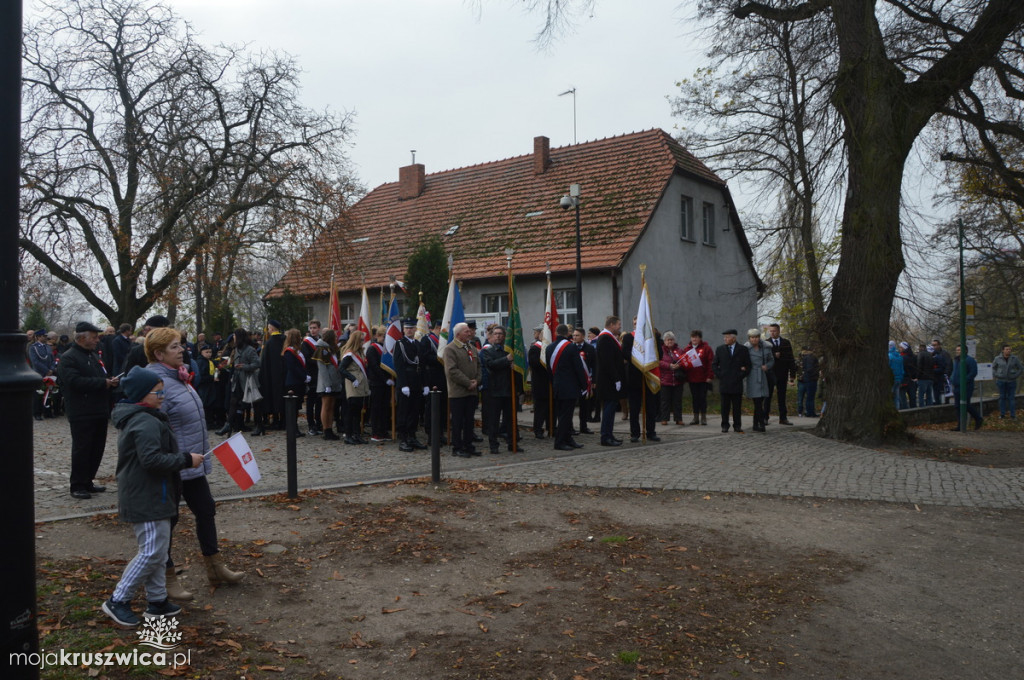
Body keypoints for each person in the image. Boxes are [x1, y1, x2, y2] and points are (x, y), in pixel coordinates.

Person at [101, 366, 205, 628]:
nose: (162, 395)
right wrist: (185, 460)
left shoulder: (149, 416)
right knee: (151, 551)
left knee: (158, 551)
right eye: (156, 391)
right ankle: (118, 599)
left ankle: (157, 601)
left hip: (156, 494)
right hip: (146, 496)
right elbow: (151, 459)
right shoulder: (144, 421)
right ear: (140, 395)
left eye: (162, 390)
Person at [145, 328, 244, 600]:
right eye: (175, 347)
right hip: (173, 466)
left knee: (206, 509)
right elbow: (153, 428)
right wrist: (174, 458)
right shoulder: (155, 382)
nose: (182, 350)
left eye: (181, 345)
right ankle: (165, 577)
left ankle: (215, 567)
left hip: (193, 463)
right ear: (159, 353)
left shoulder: (180, 376)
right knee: (169, 520)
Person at [58, 321, 122, 499]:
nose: (97, 340)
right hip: (81, 411)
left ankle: (88, 481)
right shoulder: (69, 357)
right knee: (83, 449)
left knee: (96, 448)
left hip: (99, 409)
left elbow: (98, 375)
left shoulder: (93, 355)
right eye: (94, 337)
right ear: (81, 338)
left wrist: (109, 380)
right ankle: (77, 484)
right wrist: (103, 383)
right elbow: (74, 382)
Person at [480, 326, 524, 454]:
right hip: (495, 391)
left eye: (500, 334)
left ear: (505, 336)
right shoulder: (489, 351)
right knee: (493, 421)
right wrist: (506, 360)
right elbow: (491, 365)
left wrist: (519, 389)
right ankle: (494, 445)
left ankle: (512, 443)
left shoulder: (510, 350)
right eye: (496, 334)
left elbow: (518, 372)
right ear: (492, 336)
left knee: (511, 420)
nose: (498, 336)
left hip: (510, 391)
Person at [547, 324, 589, 451]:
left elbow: (549, 369)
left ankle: (568, 439)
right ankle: (559, 442)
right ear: (567, 334)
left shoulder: (549, 347)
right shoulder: (571, 347)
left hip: (557, 385)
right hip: (569, 387)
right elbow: (578, 368)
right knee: (566, 416)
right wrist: (584, 384)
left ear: (556, 332)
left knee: (563, 415)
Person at [443, 322, 481, 458]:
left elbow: (479, 367)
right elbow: (452, 371)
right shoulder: (450, 349)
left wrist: (477, 380)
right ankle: (457, 447)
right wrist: (467, 383)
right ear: (458, 334)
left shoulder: (471, 347)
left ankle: (468, 445)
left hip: (472, 391)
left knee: (469, 421)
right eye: (466, 331)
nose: (469, 333)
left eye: (469, 331)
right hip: (458, 392)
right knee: (458, 421)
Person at [394, 319, 428, 452]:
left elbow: (422, 365)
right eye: (407, 328)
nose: (409, 330)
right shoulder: (400, 344)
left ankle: (412, 436)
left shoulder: (418, 344)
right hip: (406, 382)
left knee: (415, 411)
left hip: (417, 381)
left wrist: (425, 384)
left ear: (415, 330)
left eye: (412, 328)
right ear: (403, 330)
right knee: (404, 411)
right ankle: (403, 439)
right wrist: (403, 384)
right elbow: (399, 365)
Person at [223, 328, 262, 436]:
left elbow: (257, 364)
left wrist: (245, 367)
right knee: (233, 402)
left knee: (256, 403)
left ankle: (259, 426)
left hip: (249, 380)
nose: (233, 337)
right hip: (238, 380)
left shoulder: (250, 350)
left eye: (235, 335)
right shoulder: (236, 349)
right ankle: (228, 425)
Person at [711, 329, 751, 433]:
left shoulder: (743, 349)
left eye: (727, 337)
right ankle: (725, 425)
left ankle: (737, 425)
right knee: (725, 406)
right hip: (724, 382)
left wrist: (740, 375)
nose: (725, 339)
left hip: (737, 383)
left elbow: (748, 366)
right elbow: (714, 365)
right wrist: (720, 375)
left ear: (734, 338)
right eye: (724, 337)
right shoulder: (720, 349)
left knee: (737, 407)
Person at [595, 316, 625, 446]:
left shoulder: (609, 338)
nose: (619, 327)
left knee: (611, 409)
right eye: (618, 324)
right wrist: (616, 378)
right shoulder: (605, 338)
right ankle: (605, 436)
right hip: (608, 381)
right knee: (608, 409)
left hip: (610, 380)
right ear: (611, 325)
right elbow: (608, 362)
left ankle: (609, 434)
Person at [339, 330, 370, 445]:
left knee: (358, 411)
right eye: (361, 340)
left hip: (360, 383)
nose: (363, 342)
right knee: (350, 411)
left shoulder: (360, 352)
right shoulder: (350, 354)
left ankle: (357, 434)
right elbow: (341, 369)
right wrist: (352, 379)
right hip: (352, 384)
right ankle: (348, 435)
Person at [313, 328, 343, 440]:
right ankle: (326, 429)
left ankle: (330, 428)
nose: (336, 338)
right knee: (325, 407)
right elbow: (322, 368)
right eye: (335, 337)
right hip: (326, 383)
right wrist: (327, 385)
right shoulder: (322, 349)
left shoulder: (332, 349)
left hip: (334, 381)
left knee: (331, 407)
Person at [420, 322, 447, 444]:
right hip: (431, 376)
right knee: (432, 408)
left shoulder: (443, 341)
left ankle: (440, 433)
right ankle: (431, 435)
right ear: (438, 328)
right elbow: (424, 358)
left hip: (443, 377)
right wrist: (439, 358)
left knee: (442, 407)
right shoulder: (427, 340)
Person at [365, 326, 393, 443]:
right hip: (376, 382)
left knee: (385, 408)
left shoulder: (386, 349)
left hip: (386, 383)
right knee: (376, 408)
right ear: (377, 336)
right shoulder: (372, 349)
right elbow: (374, 366)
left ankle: (383, 430)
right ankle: (376, 432)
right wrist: (384, 379)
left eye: (385, 336)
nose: (383, 338)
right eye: (381, 336)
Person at [681, 330, 715, 425]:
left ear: (700, 338)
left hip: (703, 378)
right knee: (694, 398)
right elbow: (684, 363)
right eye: (692, 337)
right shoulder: (687, 349)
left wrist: (710, 376)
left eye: (696, 337)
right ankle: (695, 417)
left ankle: (703, 417)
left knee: (702, 398)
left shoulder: (706, 348)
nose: (694, 339)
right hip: (692, 378)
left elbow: (711, 363)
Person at [765, 323, 796, 425]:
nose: (772, 333)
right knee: (767, 396)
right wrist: (774, 355)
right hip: (770, 374)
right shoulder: (766, 343)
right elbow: (763, 359)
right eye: (771, 331)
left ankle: (783, 418)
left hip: (782, 373)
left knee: (782, 397)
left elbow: (791, 359)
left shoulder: (786, 343)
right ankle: (765, 417)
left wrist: (792, 375)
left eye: (774, 331)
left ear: (778, 331)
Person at [745, 329, 775, 433]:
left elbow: (772, 360)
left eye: (756, 337)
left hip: (763, 376)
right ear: (749, 339)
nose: (754, 339)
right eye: (752, 337)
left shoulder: (766, 347)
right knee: (757, 401)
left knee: (760, 400)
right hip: (752, 376)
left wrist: (767, 366)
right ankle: (761, 424)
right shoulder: (746, 349)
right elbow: (741, 361)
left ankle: (755, 424)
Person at [259, 319, 286, 430]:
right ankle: (284, 420)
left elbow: (265, 361)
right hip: (283, 374)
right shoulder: (284, 339)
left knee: (274, 397)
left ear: (271, 328)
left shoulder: (269, 342)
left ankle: (275, 420)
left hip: (271, 375)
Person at [281, 329, 307, 436]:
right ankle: (292, 429)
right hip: (293, 382)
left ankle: (295, 429)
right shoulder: (289, 351)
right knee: (293, 408)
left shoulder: (297, 351)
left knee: (296, 408)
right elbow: (292, 368)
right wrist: (304, 376)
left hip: (298, 382)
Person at [951, 345, 983, 431]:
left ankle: (978, 418)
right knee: (957, 406)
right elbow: (954, 372)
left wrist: (964, 380)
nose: (957, 351)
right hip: (956, 386)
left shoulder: (969, 360)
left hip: (966, 386)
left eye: (959, 350)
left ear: (965, 351)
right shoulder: (956, 360)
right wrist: (952, 379)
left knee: (966, 404)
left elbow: (973, 372)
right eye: (957, 350)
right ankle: (960, 425)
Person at [658, 331, 686, 426]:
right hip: (665, 380)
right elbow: (658, 362)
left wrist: (679, 365)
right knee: (665, 401)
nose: (670, 341)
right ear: (664, 341)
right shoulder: (660, 350)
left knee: (677, 401)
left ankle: (678, 418)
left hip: (677, 380)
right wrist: (669, 365)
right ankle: (664, 418)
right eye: (668, 340)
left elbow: (684, 360)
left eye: (671, 339)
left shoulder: (679, 350)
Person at [528, 326, 551, 438]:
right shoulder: (535, 348)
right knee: (540, 409)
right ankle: (538, 429)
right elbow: (534, 364)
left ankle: (551, 428)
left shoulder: (549, 348)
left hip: (550, 383)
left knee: (550, 408)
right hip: (540, 383)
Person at [573, 328, 597, 435]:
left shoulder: (590, 348)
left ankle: (584, 426)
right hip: (573, 381)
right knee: (571, 405)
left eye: (577, 335)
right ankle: (571, 428)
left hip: (585, 381)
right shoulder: (571, 347)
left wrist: (594, 380)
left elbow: (595, 365)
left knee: (584, 405)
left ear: (582, 336)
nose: (574, 337)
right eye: (574, 335)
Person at [301, 320, 323, 436]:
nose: (312, 330)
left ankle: (319, 422)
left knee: (320, 401)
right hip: (312, 375)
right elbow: (306, 358)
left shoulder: (321, 341)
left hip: (321, 375)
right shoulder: (306, 343)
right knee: (310, 402)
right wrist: (319, 362)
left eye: (314, 328)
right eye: (311, 328)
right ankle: (311, 425)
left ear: (319, 328)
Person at [29, 328, 56, 420]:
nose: (45, 338)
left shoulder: (47, 347)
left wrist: (51, 369)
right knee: (38, 394)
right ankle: (37, 413)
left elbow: (52, 359)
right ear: (38, 337)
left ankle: (47, 412)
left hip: (49, 373)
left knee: (49, 393)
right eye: (44, 336)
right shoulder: (33, 347)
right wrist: (46, 370)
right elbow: (35, 362)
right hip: (39, 373)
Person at [992, 344, 1023, 419]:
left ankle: (1013, 415)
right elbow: (993, 368)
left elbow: (1021, 368)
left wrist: (1015, 375)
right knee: (1002, 397)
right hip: (1001, 381)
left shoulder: (1014, 358)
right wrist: (997, 375)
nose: (1008, 350)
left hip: (1011, 381)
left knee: (1011, 398)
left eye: (1009, 349)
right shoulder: (997, 358)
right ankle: (1002, 414)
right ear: (1003, 350)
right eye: (1007, 349)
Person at [194, 344, 218, 429]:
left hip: (210, 386)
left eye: (210, 352)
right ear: (202, 352)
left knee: (210, 404)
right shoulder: (201, 362)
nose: (209, 354)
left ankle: (210, 422)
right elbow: (201, 376)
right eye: (206, 352)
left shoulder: (210, 361)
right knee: (205, 404)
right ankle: (206, 423)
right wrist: (212, 378)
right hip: (204, 387)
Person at [797, 346, 820, 417]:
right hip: (811, 379)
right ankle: (810, 412)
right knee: (810, 397)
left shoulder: (805, 357)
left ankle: (808, 411)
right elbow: (810, 369)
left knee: (808, 397)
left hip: (807, 378)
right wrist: (815, 374)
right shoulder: (811, 357)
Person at [930, 339, 953, 404]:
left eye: (935, 345)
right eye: (932, 345)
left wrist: (946, 374)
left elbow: (949, 364)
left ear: (939, 345)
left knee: (944, 392)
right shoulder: (933, 354)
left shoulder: (944, 354)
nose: (934, 347)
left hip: (943, 376)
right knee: (937, 393)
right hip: (936, 377)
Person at [898, 341, 918, 409]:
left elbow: (901, 369)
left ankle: (905, 410)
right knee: (912, 397)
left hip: (904, 380)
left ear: (904, 348)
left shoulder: (902, 358)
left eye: (900, 347)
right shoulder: (914, 357)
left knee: (902, 397)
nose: (899, 349)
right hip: (912, 379)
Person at [887, 341, 904, 410]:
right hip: (899, 379)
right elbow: (902, 369)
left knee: (890, 396)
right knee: (897, 396)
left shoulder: (889, 356)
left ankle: (891, 410)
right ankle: (897, 409)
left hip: (892, 379)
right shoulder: (899, 356)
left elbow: (888, 368)